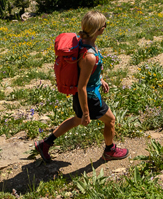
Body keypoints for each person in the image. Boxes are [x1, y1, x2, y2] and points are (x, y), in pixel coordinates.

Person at [35, 11, 129, 163]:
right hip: (89, 97)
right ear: (99, 29)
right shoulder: (89, 56)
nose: (105, 27)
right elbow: (82, 87)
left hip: (82, 96)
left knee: (75, 120)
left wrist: (100, 79)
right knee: (110, 120)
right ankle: (110, 150)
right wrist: (86, 113)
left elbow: (87, 72)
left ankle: (45, 144)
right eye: (104, 25)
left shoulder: (83, 43)